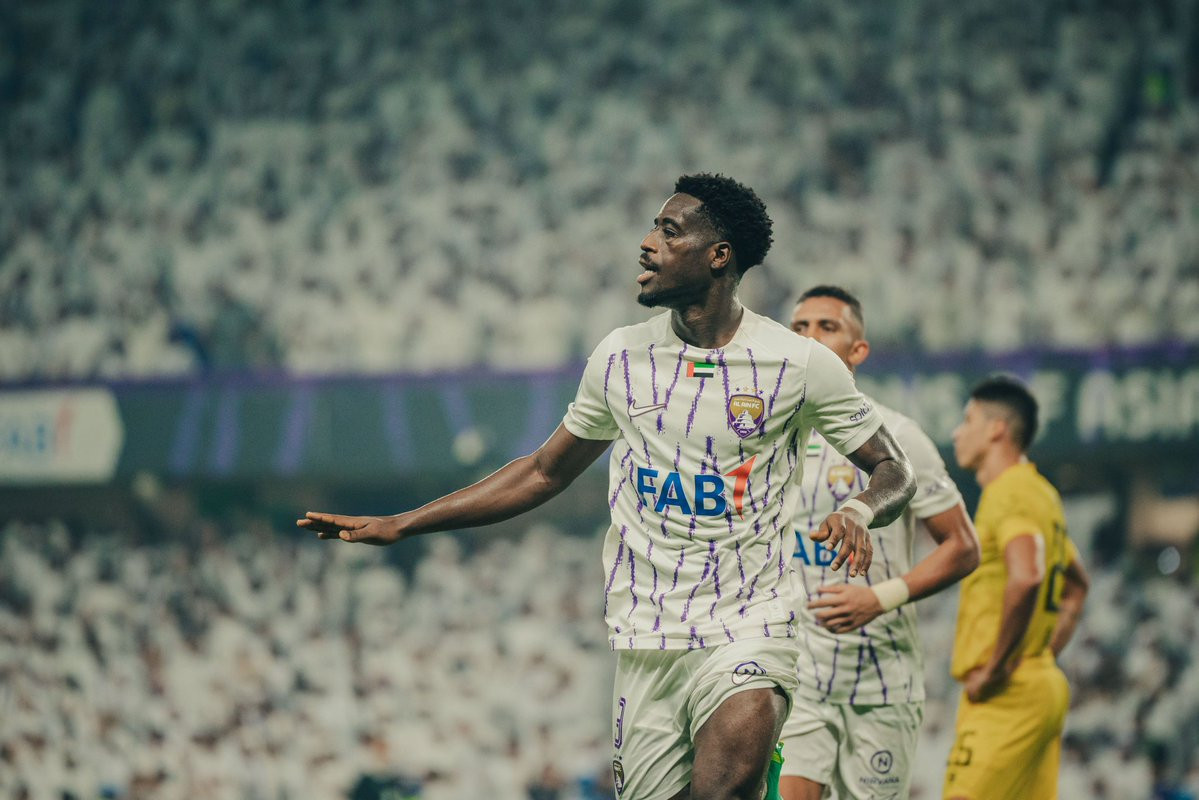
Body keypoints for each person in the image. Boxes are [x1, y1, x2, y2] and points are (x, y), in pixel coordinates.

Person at [299, 174, 917, 800]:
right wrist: (403, 523)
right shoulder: (620, 357)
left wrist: (860, 510)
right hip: (647, 640)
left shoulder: (799, 363)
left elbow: (895, 469)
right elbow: (544, 472)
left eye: (669, 231)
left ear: (718, 255)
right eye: (653, 227)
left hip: (750, 625)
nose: (647, 243)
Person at [779, 286, 981, 800]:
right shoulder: (769, 435)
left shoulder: (899, 438)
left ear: (858, 350)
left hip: (881, 681)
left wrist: (879, 598)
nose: (810, 337)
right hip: (799, 674)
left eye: (827, 327)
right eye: (800, 328)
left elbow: (963, 546)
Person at [942, 375, 1090, 800]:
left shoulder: (1007, 491)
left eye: (968, 420)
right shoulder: (1041, 493)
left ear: (996, 429)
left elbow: (1027, 576)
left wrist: (997, 667)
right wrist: (1043, 653)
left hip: (1007, 694)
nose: (957, 432)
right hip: (1039, 681)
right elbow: (1077, 585)